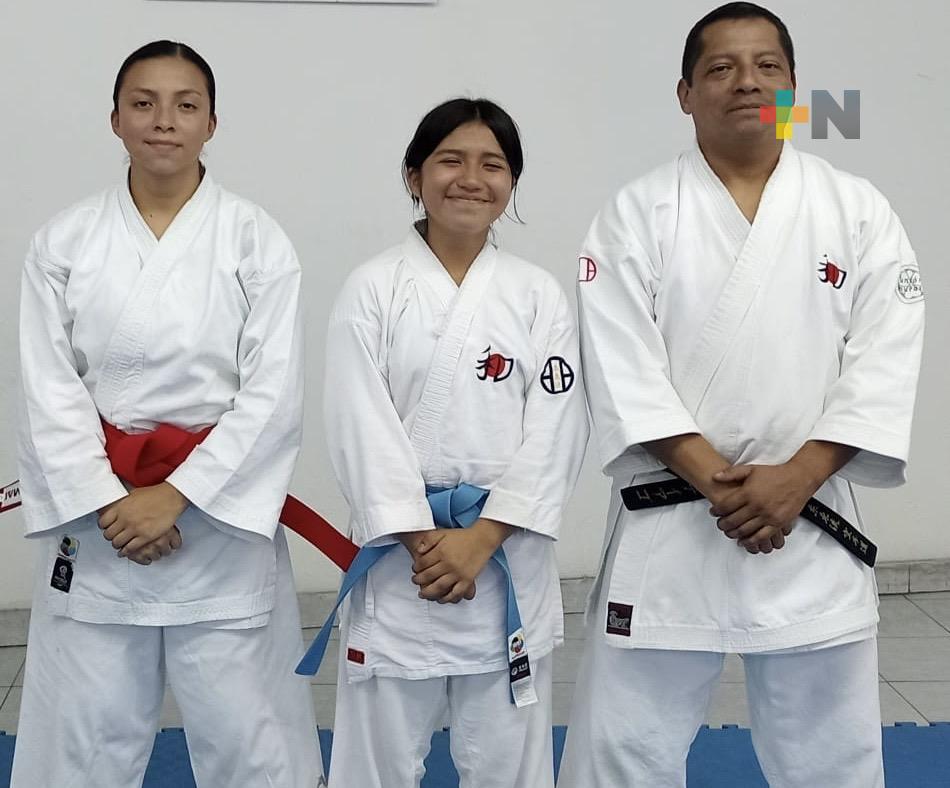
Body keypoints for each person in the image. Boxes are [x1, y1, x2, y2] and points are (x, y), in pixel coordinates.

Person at [557, 4, 924, 787]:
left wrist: (797, 478)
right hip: (670, 517)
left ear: (793, 87)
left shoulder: (856, 208)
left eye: (767, 66)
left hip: (809, 516)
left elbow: (885, 357)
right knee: (623, 749)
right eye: (721, 68)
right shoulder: (635, 214)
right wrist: (721, 482)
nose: (746, 82)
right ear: (685, 94)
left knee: (834, 753)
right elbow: (621, 365)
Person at [13, 40, 324, 787]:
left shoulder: (256, 239)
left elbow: (272, 395)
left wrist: (176, 496)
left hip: (215, 517)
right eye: (144, 103)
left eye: (185, 105)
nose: (164, 121)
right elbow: (48, 389)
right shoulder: (64, 241)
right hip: (104, 523)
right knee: (83, 739)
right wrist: (109, 500)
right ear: (115, 118)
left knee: (247, 737)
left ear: (211, 123)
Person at [316, 98, 588, 788]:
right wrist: (421, 539)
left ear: (512, 183)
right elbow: (358, 423)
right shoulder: (372, 288)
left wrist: (482, 538)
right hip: (403, 563)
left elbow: (557, 430)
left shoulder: (538, 295)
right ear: (415, 176)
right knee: (374, 768)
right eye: (450, 161)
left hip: (503, 555)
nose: (471, 178)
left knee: (510, 767)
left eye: (492, 164)